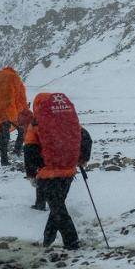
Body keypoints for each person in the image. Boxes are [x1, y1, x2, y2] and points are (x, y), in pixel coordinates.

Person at [31, 92, 93, 250]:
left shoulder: (36, 124)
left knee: (57, 208)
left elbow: (29, 149)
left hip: (47, 173)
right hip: (68, 171)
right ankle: (48, 240)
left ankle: (72, 243)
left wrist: (32, 173)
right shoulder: (69, 122)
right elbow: (86, 138)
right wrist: (82, 159)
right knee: (57, 206)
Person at [0, 67, 27, 166]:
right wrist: (24, 110)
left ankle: (4, 160)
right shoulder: (14, 77)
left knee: (3, 134)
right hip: (10, 108)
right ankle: (16, 152)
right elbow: (20, 97)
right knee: (22, 129)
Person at [22, 117, 47, 211]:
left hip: (42, 152)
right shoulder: (62, 116)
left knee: (42, 176)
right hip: (60, 152)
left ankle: (40, 204)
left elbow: (29, 148)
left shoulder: (34, 124)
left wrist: (31, 174)